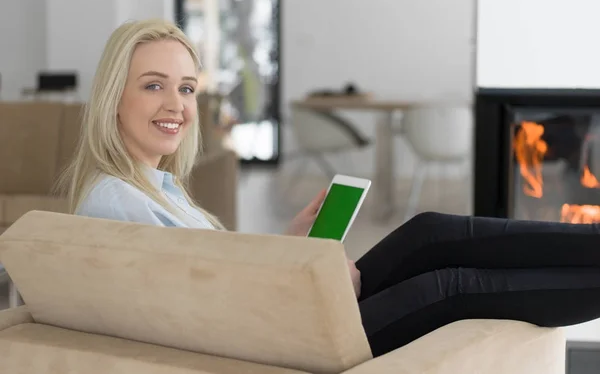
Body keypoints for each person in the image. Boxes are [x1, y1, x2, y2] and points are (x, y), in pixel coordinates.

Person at [59, 19, 600, 357]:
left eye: (185, 88)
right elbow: (190, 312)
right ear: (113, 97)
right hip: (280, 338)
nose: (176, 105)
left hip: (273, 313)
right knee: (450, 286)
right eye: (153, 86)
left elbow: (205, 278)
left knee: (429, 233)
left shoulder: (156, 189)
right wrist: (297, 281)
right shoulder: (113, 199)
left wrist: (291, 254)